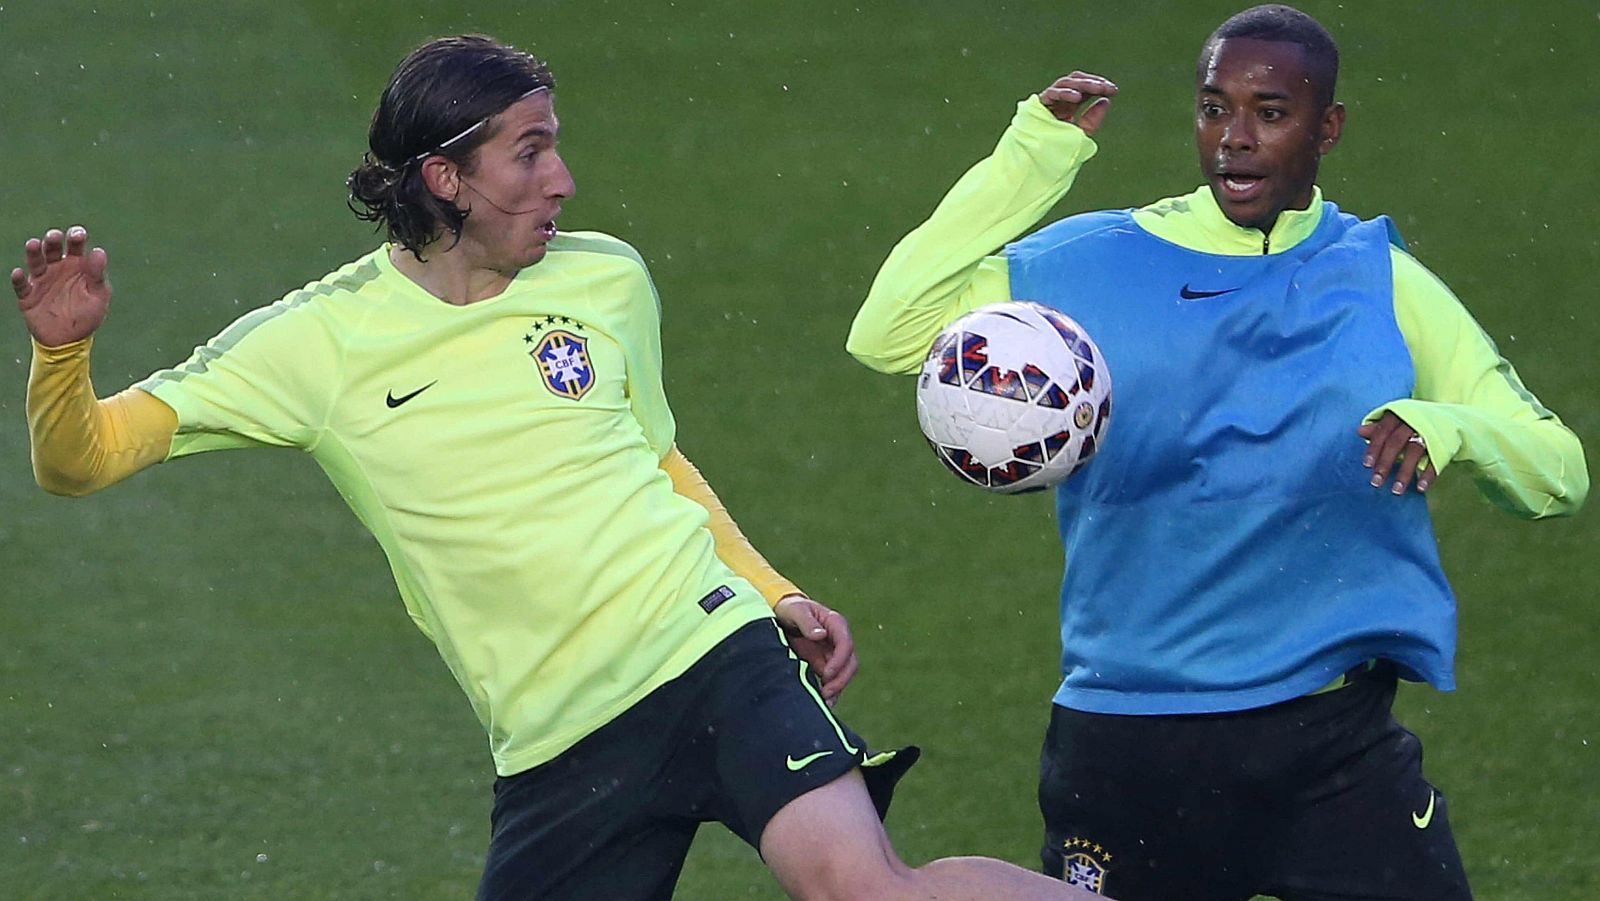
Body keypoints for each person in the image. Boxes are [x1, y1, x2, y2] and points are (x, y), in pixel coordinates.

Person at [16, 35, 1103, 901]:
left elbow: (653, 457)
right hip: (557, 737)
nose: (564, 180)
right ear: (444, 175)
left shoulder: (607, 280)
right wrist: (63, 356)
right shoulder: (312, 344)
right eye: (528, 152)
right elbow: (84, 460)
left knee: (861, 887)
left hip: (708, 649)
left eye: (557, 144)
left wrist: (772, 593)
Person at [847, 5, 1587, 900]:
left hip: (1333, 745)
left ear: (1329, 127)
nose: (1234, 140)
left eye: (1270, 113)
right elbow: (888, 333)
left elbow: (1559, 470)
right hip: (1134, 741)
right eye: (1213, 109)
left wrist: (1450, 426)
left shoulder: (1381, 279)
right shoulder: (1089, 263)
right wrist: (1033, 156)